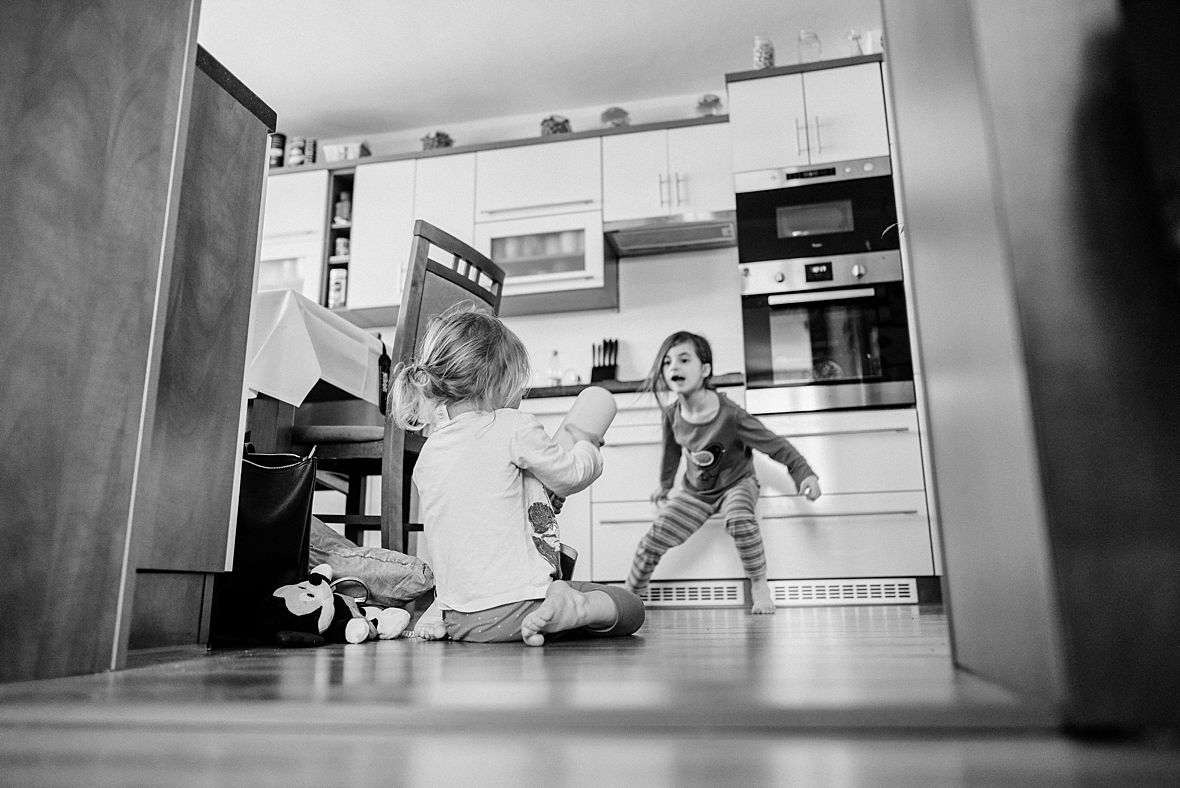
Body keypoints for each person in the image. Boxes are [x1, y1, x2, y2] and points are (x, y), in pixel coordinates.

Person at [387, 304, 645, 645]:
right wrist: (588, 446)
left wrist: (539, 496)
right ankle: (575, 607)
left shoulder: (430, 453)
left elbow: (481, 515)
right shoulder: (511, 425)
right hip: (522, 608)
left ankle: (438, 610)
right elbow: (571, 475)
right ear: (496, 381)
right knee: (630, 607)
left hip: (464, 621)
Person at [625, 331, 821, 614]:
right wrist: (665, 485)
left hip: (738, 483)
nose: (673, 367)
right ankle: (629, 599)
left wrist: (804, 473)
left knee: (739, 519)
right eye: (667, 362)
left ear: (705, 370)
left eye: (683, 359)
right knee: (651, 541)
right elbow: (671, 452)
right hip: (697, 491)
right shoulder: (671, 415)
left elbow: (774, 444)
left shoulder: (731, 415)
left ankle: (759, 585)